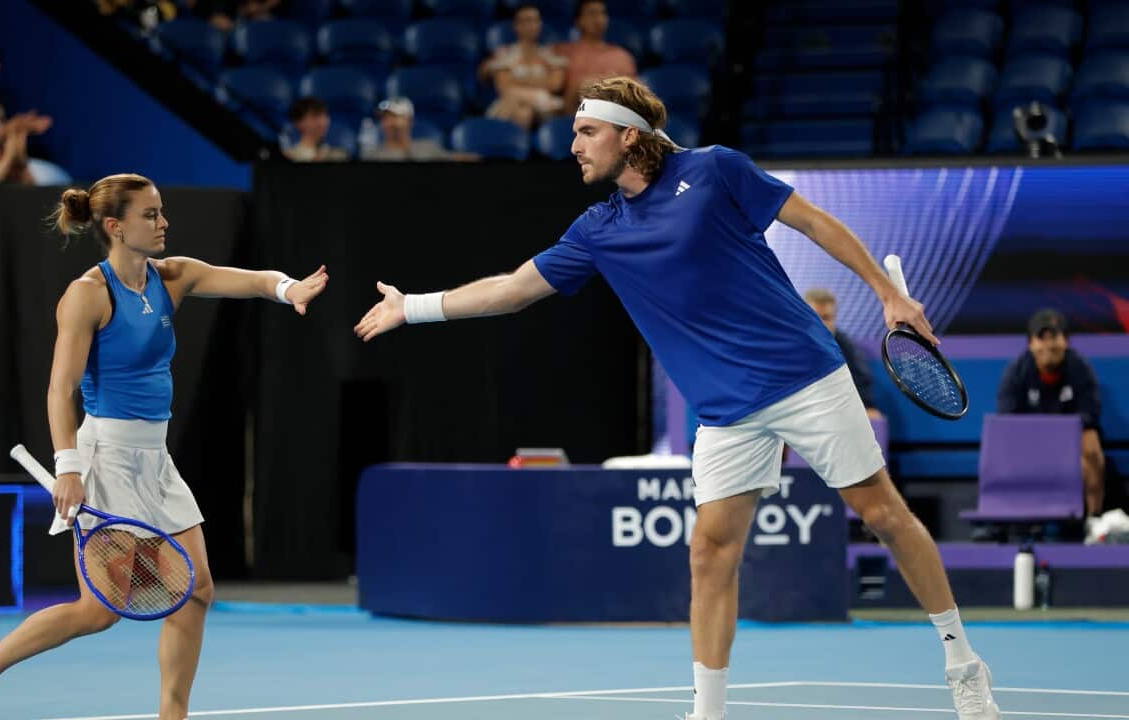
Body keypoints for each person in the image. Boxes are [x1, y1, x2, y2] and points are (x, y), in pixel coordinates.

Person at [353, 76, 1001, 720]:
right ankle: (708, 714)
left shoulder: (715, 171)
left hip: (801, 374)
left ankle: (962, 663)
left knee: (882, 512)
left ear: (628, 136)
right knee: (710, 551)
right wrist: (413, 307)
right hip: (724, 410)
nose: (573, 146)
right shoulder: (597, 229)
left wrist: (887, 295)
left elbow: (815, 223)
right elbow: (513, 288)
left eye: (586, 132)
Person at [0, 173, 329, 720]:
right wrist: (68, 467)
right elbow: (59, 389)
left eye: (161, 212)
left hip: (156, 461)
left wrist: (289, 289)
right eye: (150, 215)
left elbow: (255, 281)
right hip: (104, 460)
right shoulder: (87, 296)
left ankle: (172, 715)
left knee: (197, 590)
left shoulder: (174, 276)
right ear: (115, 227)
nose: (163, 223)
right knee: (97, 612)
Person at [998, 308, 1105, 523]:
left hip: (1071, 446)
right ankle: (1016, 524)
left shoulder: (1079, 368)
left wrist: (1059, 434)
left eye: (1054, 337)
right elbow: (1006, 418)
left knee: (1091, 441)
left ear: (1065, 341)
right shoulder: (1018, 371)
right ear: (1031, 344)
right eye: (1041, 338)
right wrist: (1042, 435)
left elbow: (1091, 413)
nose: (1048, 345)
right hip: (1029, 445)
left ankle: (1094, 520)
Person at [480, 3, 565, 130]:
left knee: (515, 97)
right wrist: (539, 88)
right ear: (516, 26)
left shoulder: (550, 55)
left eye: (535, 20)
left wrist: (517, 81)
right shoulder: (504, 53)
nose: (531, 25)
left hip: (543, 113)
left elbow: (556, 84)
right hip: (529, 105)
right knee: (523, 113)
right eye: (526, 20)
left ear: (540, 24)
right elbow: (504, 86)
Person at [804, 287, 883, 419]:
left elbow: (861, 379)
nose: (822, 324)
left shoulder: (846, 346)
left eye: (827, 318)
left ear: (835, 317)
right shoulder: (791, 344)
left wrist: (868, 406)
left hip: (837, 408)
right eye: (816, 317)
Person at [552, 0, 635, 114]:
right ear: (578, 21)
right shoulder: (562, 51)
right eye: (592, 13)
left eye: (603, 13)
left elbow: (634, 94)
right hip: (574, 116)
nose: (599, 19)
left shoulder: (622, 55)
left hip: (616, 115)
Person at [361, 97, 471, 162]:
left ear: (409, 120)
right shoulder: (374, 155)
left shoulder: (427, 147)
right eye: (384, 118)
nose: (389, 122)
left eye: (394, 116)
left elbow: (454, 158)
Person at [283, 96, 348, 162]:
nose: (323, 121)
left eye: (325, 115)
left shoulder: (338, 155)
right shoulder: (290, 156)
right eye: (315, 116)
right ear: (299, 122)